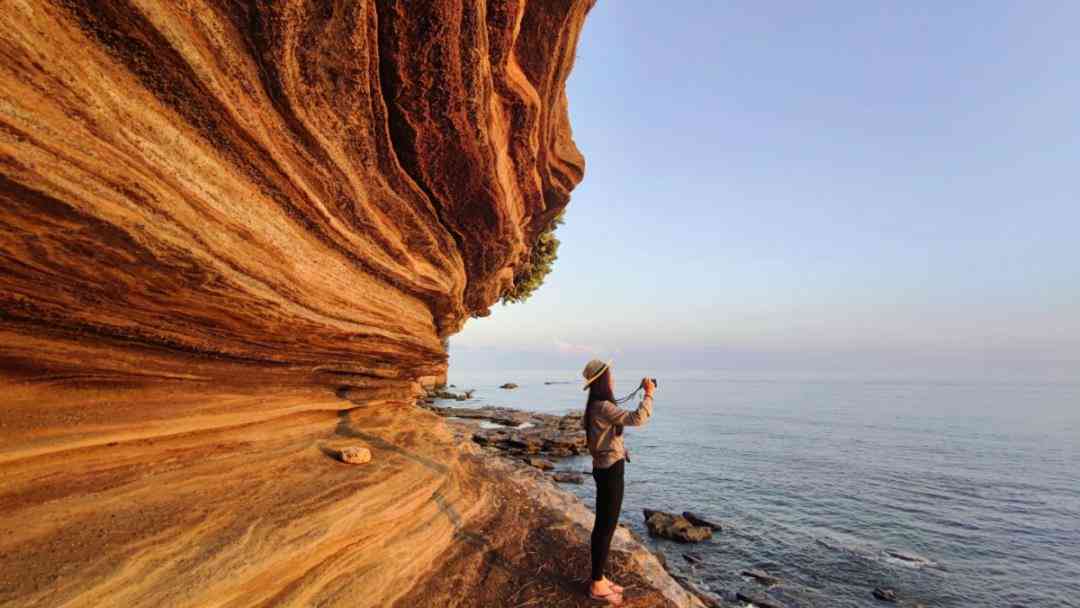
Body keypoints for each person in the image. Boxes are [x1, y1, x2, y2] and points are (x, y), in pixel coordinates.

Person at [581, 359, 654, 605]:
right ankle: (596, 584)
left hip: (605, 468)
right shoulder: (602, 406)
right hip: (611, 470)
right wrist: (649, 394)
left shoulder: (594, 405)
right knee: (605, 526)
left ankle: (599, 577)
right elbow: (637, 419)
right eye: (610, 376)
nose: (612, 379)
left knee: (605, 525)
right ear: (603, 380)